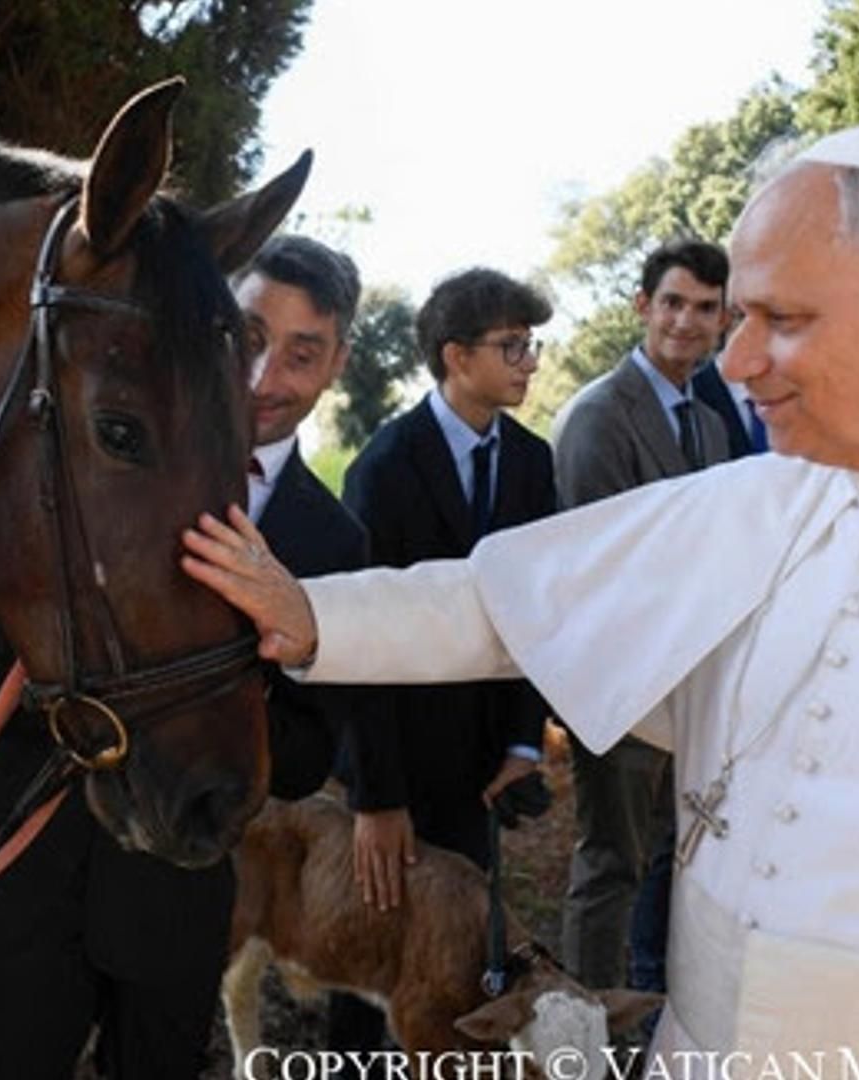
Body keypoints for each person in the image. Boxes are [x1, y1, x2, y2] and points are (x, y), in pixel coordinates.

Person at [182, 121, 859, 1075]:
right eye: (740, 316)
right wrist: (313, 615)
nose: (738, 358)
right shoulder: (762, 498)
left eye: (781, 319)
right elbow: (509, 599)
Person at [0, 234, 370, 1079]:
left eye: (302, 354)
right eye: (248, 337)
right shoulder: (80, 433)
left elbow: (308, 757)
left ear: (338, 364)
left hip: (174, 902)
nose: (262, 377)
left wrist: (246, 653)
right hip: (22, 871)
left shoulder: (335, 542)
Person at [326, 267, 557, 1049]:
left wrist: (524, 743)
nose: (530, 362)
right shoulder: (385, 466)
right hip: (393, 760)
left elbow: (535, 613)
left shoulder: (532, 463)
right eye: (512, 346)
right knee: (374, 950)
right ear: (457, 357)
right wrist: (377, 796)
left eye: (532, 344)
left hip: (481, 766)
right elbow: (358, 638)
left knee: (455, 947)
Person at [550, 239, 732, 995]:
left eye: (705, 308)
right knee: (610, 866)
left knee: (671, 859)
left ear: (724, 320)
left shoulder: (711, 425)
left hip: (693, 684)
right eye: (673, 302)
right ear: (642, 307)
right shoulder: (598, 415)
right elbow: (596, 569)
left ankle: (654, 1013)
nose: (687, 322)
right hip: (621, 684)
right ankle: (581, 1030)